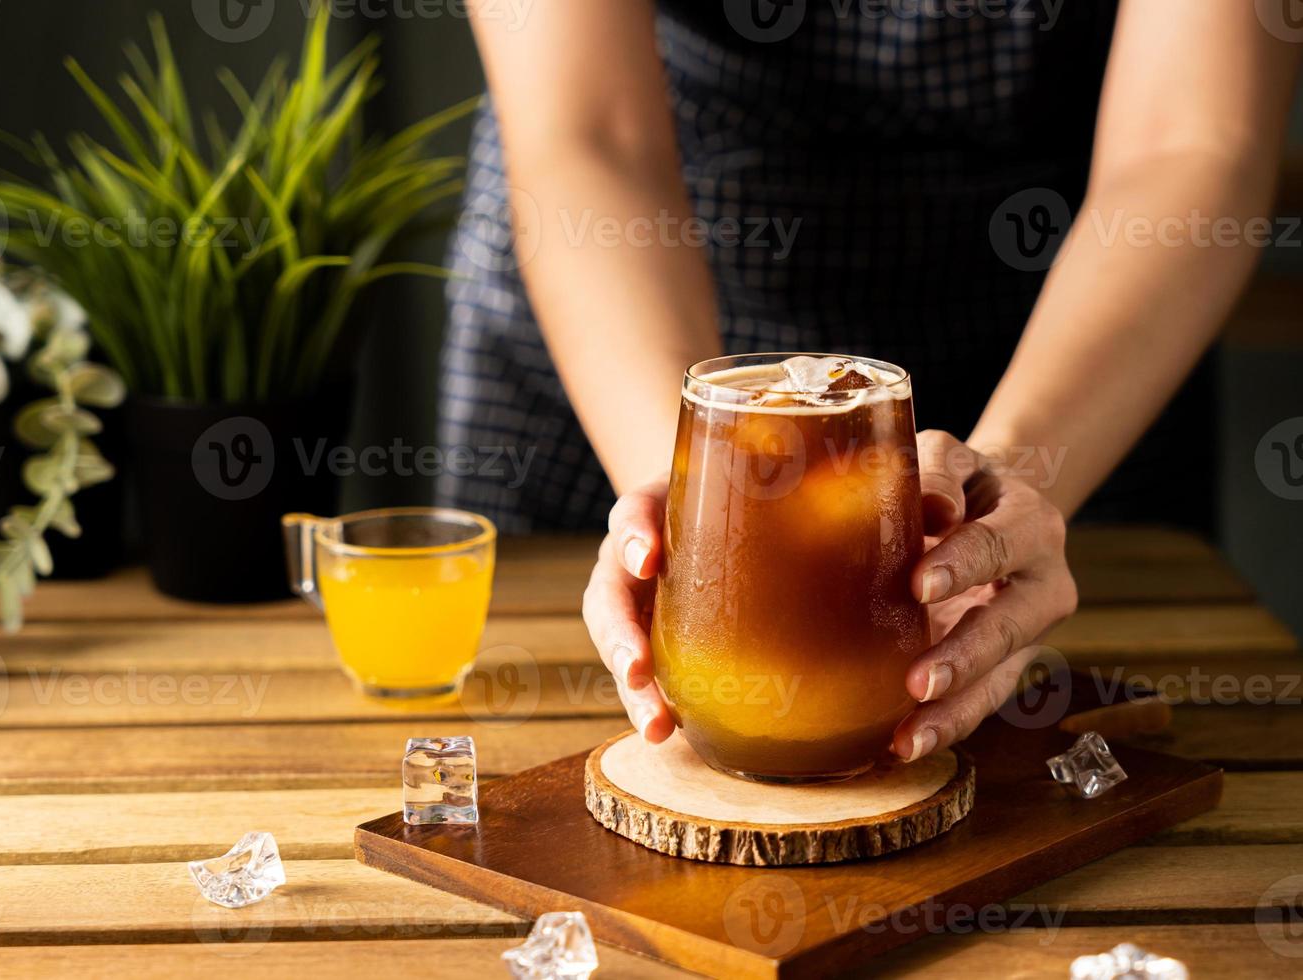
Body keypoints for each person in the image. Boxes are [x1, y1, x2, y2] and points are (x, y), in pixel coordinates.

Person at [436, 2, 1301, 762]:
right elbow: (591, 135)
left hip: (1079, 307)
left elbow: (1193, 141)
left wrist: (1011, 485)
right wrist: (698, 498)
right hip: (632, 304)